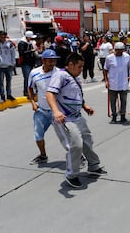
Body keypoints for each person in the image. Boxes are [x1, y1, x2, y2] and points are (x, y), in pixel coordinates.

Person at [46, 53, 107, 188]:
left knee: (87, 141)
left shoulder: (74, 77)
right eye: (79, 67)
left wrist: (85, 106)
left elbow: (77, 94)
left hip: (78, 116)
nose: (81, 70)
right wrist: (56, 111)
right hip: (66, 118)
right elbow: (50, 93)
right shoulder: (60, 75)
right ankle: (72, 175)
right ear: (71, 65)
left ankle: (93, 166)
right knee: (76, 145)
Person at [27, 50, 60, 165]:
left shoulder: (59, 73)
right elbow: (30, 88)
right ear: (43, 61)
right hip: (41, 111)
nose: (53, 63)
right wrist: (32, 102)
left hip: (57, 112)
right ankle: (43, 155)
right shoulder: (34, 73)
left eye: (54, 61)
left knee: (66, 136)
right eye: (50, 61)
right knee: (38, 134)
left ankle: (78, 156)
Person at [104, 42, 130, 124]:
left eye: (121, 50)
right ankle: (114, 116)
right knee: (113, 101)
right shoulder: (109, 58)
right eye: (118, 51)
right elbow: (105, 70)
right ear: (115, 50)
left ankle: (122, 116)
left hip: (124, 83)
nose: (120, 52)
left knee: (123, 101)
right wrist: (106, 81)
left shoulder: (127, 56)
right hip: (113, 84)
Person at [0, 30, 16, 101]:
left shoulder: (9, 44)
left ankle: (9, 95)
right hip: (0, 66)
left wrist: (13, 63)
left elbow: (13, 54)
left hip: (8, 66)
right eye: (1, 37)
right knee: (1, 82)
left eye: (4, 37)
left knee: (9, 82)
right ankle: (2, 96)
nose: (2, 38)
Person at [18, 31, 37, 97]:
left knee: (30, 78)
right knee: (27, 77)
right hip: (25, 63)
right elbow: (21, 53)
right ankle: (26, 92)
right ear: (27, 37)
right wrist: (31, 51)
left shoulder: (29, 43)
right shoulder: (22, 43)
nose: (31, 39)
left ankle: (30, 91)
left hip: (30, 62)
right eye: (31, 37)